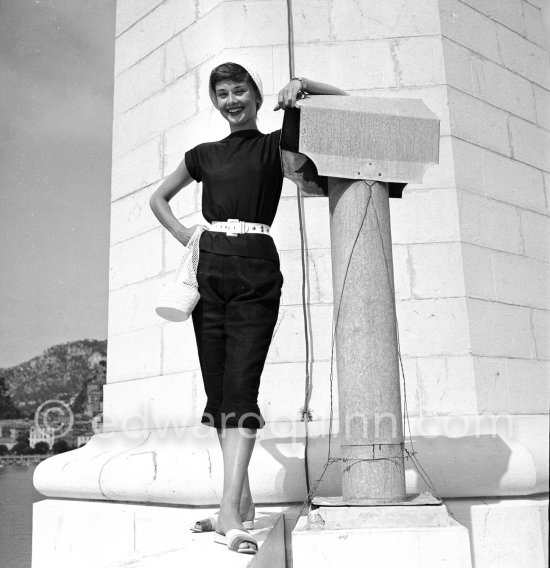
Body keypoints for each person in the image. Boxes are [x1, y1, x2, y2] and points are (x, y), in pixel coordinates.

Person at [149, 62, 346, 554]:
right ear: (216, 102)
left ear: (256, 97)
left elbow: (345, 107)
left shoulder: (274, 143)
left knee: (241, 387)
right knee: (219, 393)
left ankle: (227, 512)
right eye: (222, 93)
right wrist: (186, 234)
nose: (231, 99)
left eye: (239, 91)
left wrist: (308, 85)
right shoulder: (202, 155)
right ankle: (241, 508)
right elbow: (158, 198)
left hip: (255, 265)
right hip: (208, 267)